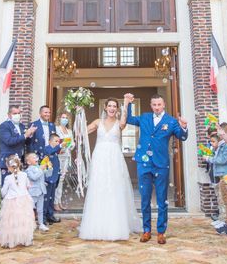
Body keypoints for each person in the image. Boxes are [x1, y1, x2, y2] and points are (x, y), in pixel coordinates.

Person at [126, 93, 188, 244]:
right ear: (151, 105)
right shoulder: (145, 117)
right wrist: (127, 104)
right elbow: (129, 119)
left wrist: (184, 126)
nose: (156, 107)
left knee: (162, 199)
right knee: (145, 199)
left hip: (161, 164)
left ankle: (161, 231)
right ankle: (146, 230)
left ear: (164, 104)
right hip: (144, 163)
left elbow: (183, 137)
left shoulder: (172, 121)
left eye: (159, 105)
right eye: (154, 105)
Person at [79, 97, 142, 241]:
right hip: (100, 158)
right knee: (99, 188)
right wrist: (79, 115)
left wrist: (126, 103)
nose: (112, 108)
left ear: (117, 109)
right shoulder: (97, 122)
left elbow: (125, 118)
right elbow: (82, 132)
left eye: (115, 106)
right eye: (110, 106)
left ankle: (116, 225)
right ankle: (96, 225)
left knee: (114, 189)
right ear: (105, 108)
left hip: (114, 159)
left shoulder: (120, 124)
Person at [0, 155, 36, 249]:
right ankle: (25, 240)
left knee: (11, 222)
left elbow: (3, 191)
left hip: (11, 202)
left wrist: (3, 195)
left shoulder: (8, 178)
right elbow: (28, 186)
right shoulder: (24, 175)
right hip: (24, 200)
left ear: (9, 167)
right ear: (19, 164)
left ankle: (10, 241)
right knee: (24, 221)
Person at [207, 125, 227, 234]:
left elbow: (222, 160)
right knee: (225, 200)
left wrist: (209, 158)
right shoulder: (223, 145)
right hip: (222, 176)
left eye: (219, 131)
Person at [0, 106, 37, 186]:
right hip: (8, 161)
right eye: (15, 113)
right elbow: (9, 141)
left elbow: (26, 142)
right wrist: (25, 135)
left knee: (17, 187)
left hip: (19, 161)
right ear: (9, 115)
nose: (17, 115)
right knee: (8, 187)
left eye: (19, 113)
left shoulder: (21, 126)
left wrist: (30, 135)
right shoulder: (4, 126)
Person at [24, 152, 51, 232]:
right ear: (28, 162)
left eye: (36, 156)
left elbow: (48, 175)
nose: (36, 158)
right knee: (30, 209)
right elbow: (34, 178)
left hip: (41, 191)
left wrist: (49, 167)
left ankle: (41, 224)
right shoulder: (28, 170)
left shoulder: (39, 167)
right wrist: (41, 169)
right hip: (33, 192)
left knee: (40, 209)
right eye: (33, 157)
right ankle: (30, 224)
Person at [54, 111, 74, 211]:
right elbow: (53, 141)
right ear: (59, 118)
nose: (64, 119)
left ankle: (59, 202)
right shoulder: (56, 129)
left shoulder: (69, 131)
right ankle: (54, 203)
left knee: (62, 180)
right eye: (63, 117)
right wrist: (59, 147)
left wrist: (70, 145)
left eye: (66, 117)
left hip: (66, 157)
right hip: (58, 156)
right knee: (56, 179)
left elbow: (73, 143)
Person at [42, 133, 62, 225]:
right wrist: (60, 146)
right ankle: (43, 217)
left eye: (59, 141)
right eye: (56, 141)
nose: (58, 143)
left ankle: (50, 215)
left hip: (54, 177)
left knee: (51, 198)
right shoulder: (47, 149)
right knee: (46, 198)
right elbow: (49, 153)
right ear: (50, 141)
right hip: (48, 178)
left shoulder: (55, 151)